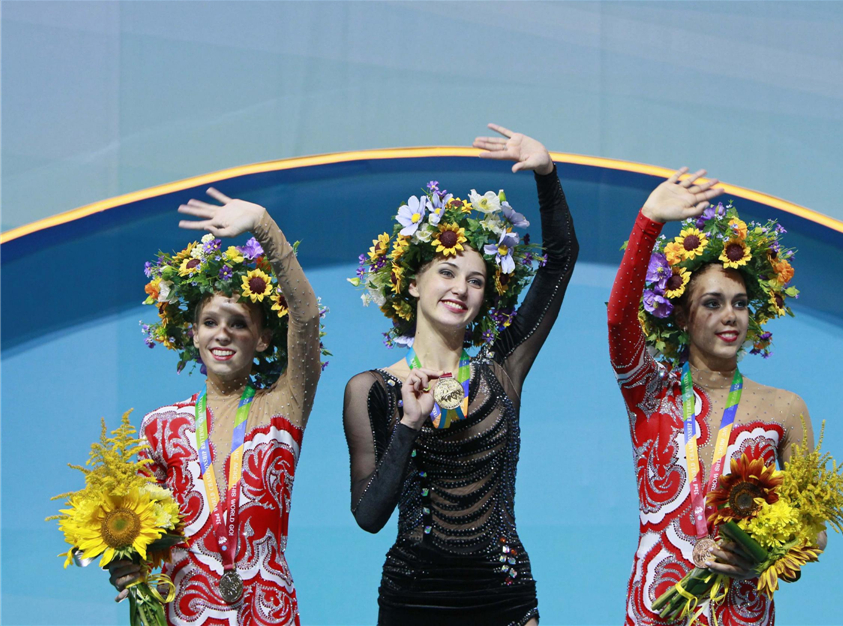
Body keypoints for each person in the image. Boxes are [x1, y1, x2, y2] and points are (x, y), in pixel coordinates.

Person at [342, 124, 579, 626]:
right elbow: (368, 517)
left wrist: (546, 173)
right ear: (411, 284)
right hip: (414, 599)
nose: (461, 288)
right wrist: (408, 424)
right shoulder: (372, 389)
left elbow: (559, 261)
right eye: (447, 272)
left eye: (475, 280)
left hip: (505, 593)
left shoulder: (502, 368)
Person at [607, 168, 825, 625]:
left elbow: (815, 531)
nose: (731, 317)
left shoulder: (785, 409)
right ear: (682, 317)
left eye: (740, 303)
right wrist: (648, 221)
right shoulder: (650, 394)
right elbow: (619, 321)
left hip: (741, 612)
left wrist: (765, 555)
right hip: (655, 611)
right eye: (712, 302)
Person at [108, 189, 324, 625]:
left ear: (262, 339)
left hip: (268, 612)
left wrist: (264, 224)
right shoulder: (159, 427)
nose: (222, 334)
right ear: (193, 335)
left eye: (238, 323)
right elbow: (137, 530)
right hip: (186, 612)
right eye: (210, 323)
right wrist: (124, 564)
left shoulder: (285, 404)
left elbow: (305, 317)